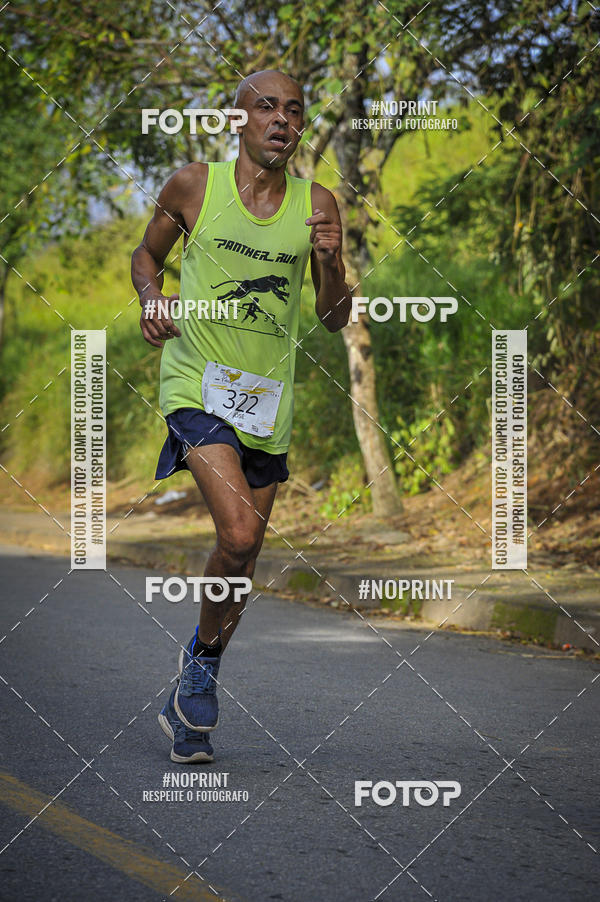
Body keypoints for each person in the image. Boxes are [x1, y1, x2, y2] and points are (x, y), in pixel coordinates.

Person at [131, 69, 351, 763]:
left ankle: (199, 672)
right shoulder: (195, 186)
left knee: (242, 555)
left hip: (265, 401)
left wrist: (334, 260)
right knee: (239, 527)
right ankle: (199, 669)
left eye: (293, 110)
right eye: (266, 107)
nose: (281, 120)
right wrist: (150, 297)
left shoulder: (317, 205)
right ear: (239, 120)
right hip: (195, 382)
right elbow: (146, 256)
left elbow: (335, 316)